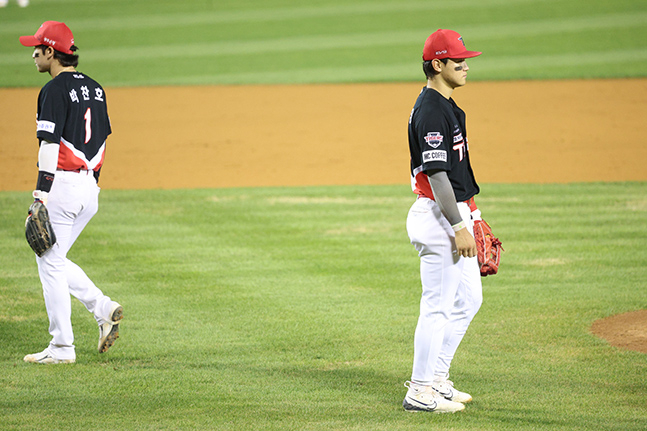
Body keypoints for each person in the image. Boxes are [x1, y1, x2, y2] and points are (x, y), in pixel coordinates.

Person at [19, 21, 122, 364]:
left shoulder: (53, 90)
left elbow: (49, 145)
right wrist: (93, 182)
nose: (33, 54)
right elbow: (103, 139)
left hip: (61, 186)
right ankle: (103, 308)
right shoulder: (96, 88)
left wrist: (40, 195)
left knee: (49, 262)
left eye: (38, 48)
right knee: (55, 258)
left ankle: (62, 347)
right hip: (89, 188)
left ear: (52, 52)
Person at [402, 29, 484, 412]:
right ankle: (419, 391)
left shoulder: (444, 105)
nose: (466, 66)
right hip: (438, 218)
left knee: (468, 299)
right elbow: (437, 176)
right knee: (437, 306)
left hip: (452, 212)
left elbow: (456, 174)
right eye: (458, 61)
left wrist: (473, 213)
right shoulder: (433, 110)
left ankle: (436, 378)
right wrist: (458, 225)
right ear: (437, 64)